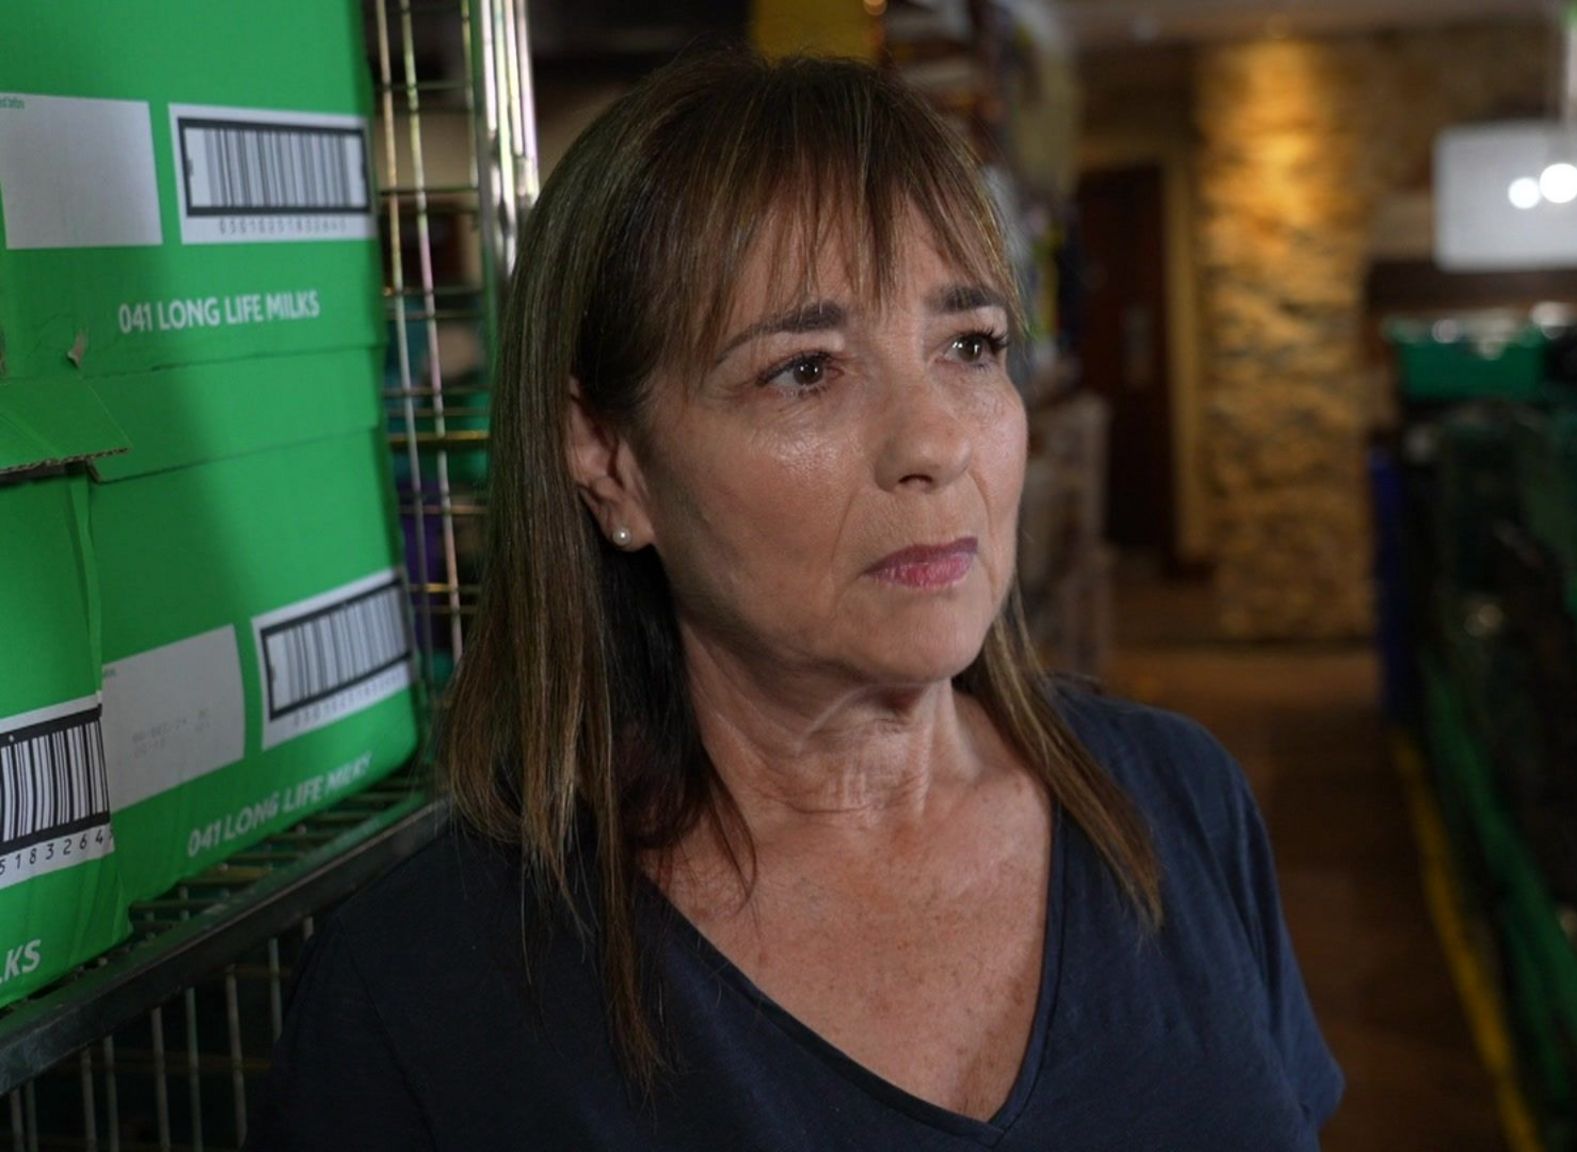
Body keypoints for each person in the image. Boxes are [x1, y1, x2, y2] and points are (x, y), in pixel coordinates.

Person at [247, 48, 1340, 1150]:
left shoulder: (1176, 801)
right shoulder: (432, 987)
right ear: (607, 456)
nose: (933, 443)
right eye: (805, 370)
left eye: (969, 346)